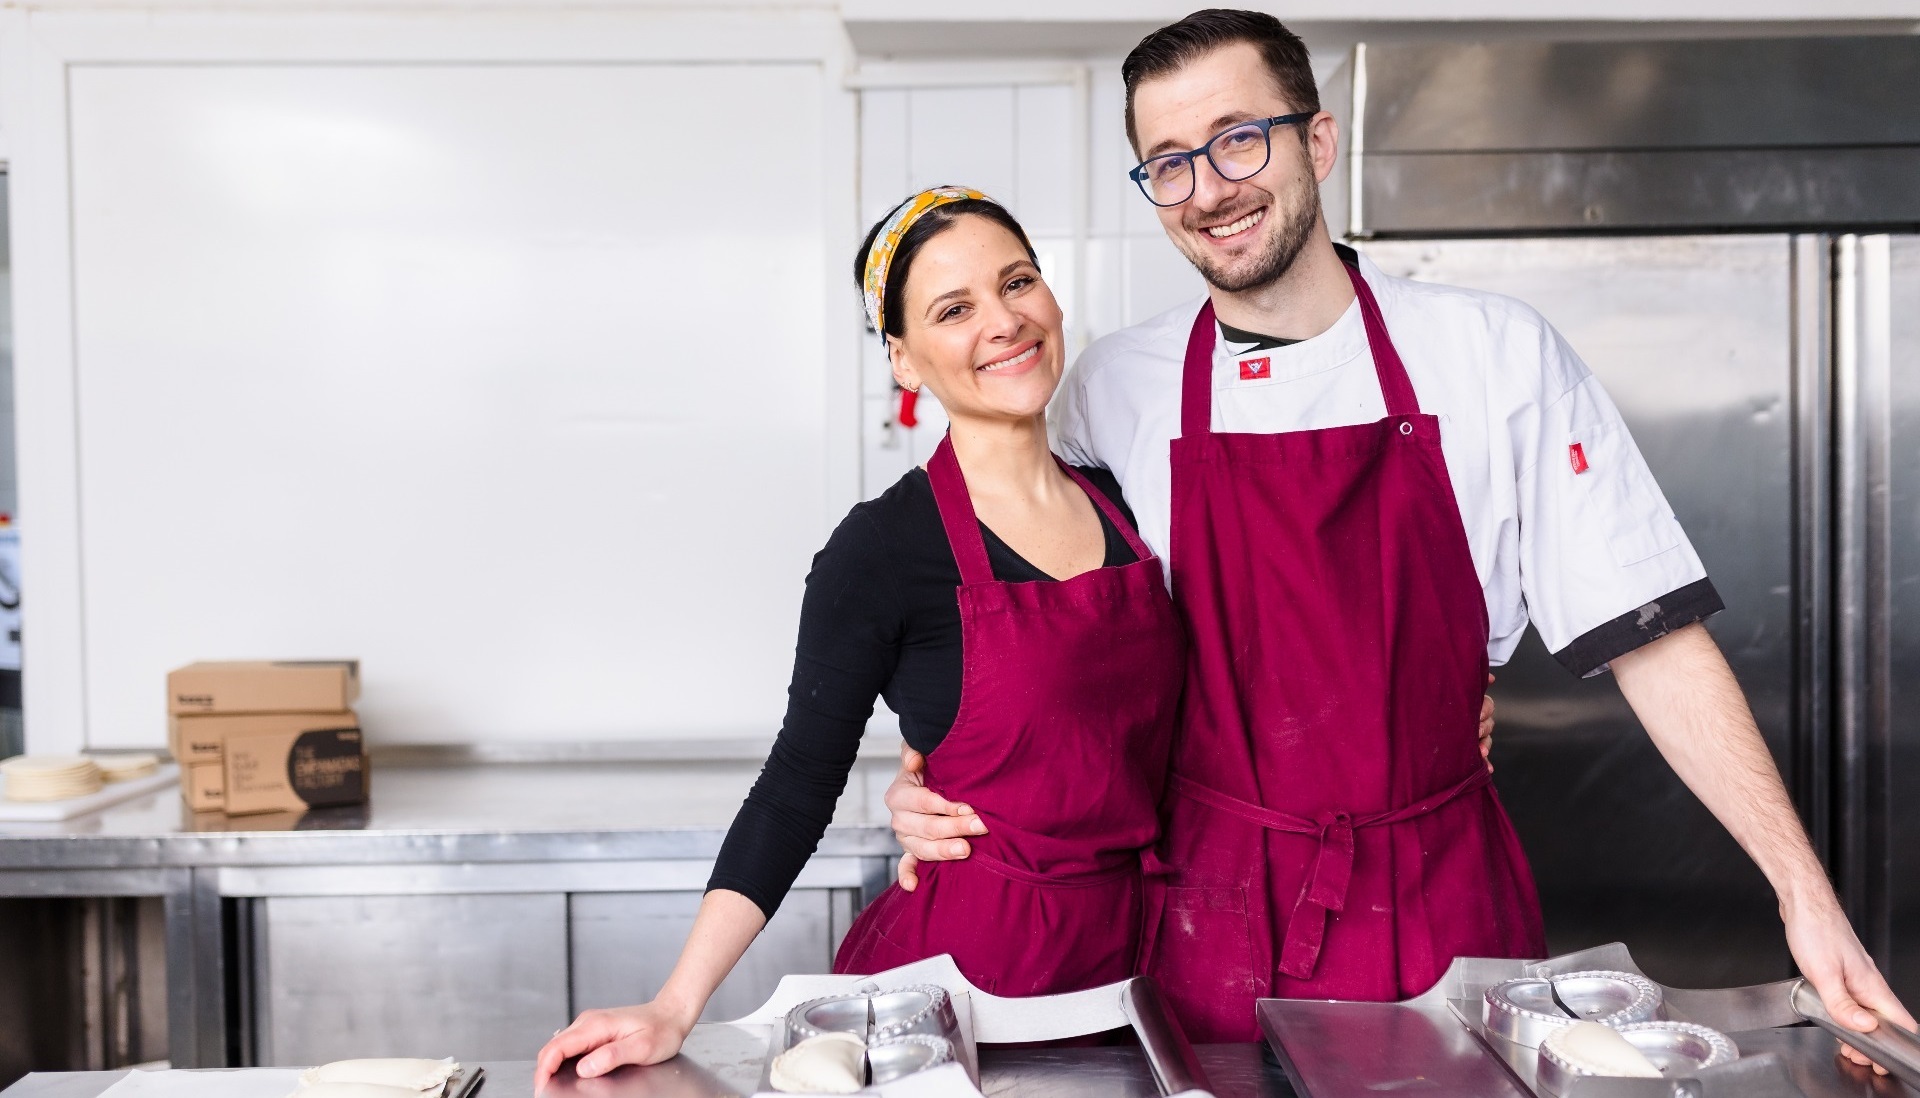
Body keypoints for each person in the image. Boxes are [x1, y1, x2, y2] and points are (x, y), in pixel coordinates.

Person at [885, 7, 1914, 1061]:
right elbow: (1058, 638)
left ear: (1318, 141)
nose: (1211, 188)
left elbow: (1654, 642)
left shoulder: (1493, 356)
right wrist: (932, 771)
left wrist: (1803, 894)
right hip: (1204, 921)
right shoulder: (1115, 389)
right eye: (1170, 163)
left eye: (1241, 138)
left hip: (1442, 913)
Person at [531, 188, 1189, 1089]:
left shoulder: (1132, 494)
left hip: (1146, 967)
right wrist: (674, 1004)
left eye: (1017, 281)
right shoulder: (882, 551)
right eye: (953, 310)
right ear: (904, 361)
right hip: (967, 996)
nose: (1003, 321)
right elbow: (796, 784)